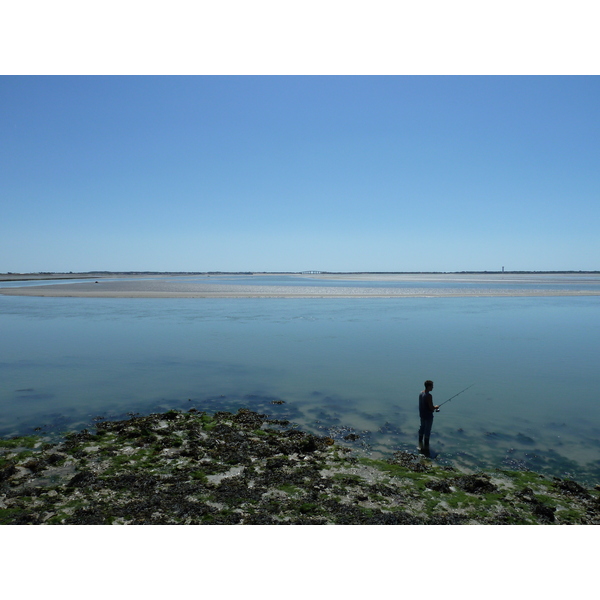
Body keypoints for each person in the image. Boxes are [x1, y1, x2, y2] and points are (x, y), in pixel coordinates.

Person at [418, 380, 439, 452]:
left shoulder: (421, 393)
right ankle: (426, 447)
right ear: (429, 386)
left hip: (422, 414)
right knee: (427, 431)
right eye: (432, 386)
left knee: (422, 429)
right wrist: (436, 407)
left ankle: (420, 443)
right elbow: (431, 407)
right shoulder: (429, 396)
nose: (433, 387)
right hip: (428, 416)